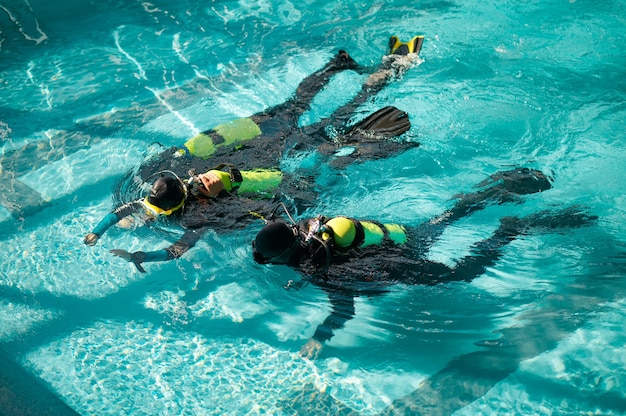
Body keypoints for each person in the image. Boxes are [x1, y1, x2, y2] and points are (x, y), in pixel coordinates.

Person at [251, 167, 598, 359]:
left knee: (459, 275)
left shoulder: (316, 268)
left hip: (398, 264)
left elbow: (345, 309)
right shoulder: (311, 229)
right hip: (400, 236)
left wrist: (320, 338)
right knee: (443, 219)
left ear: (281, 258)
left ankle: (509, 231)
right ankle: (499, 187)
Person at [135, 35, 425, 185]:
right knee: (297, 102)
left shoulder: (197, 195)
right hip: (259, 130)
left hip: (276, 151)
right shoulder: (162, 168)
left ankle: (389, 71)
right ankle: (337, 65)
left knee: (339, 117)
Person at [84, 165, 283, 272]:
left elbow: (176, 250)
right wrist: (96, 232)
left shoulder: (199, 218)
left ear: (172, 208)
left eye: (157, 212)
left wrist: (142, 256)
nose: (149, 214)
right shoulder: (162, 196)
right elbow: (118, 213)